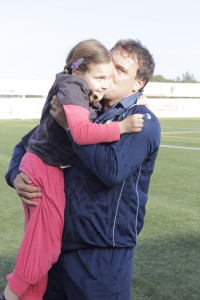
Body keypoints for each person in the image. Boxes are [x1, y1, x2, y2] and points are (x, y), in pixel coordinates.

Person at [4, 39, 161, 300]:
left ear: (138, 84)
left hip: (102, 253)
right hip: (59, 247)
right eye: (110, 65)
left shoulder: (141, 121)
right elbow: (28, 143)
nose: (111, 74)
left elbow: (111, 170)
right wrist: (15, 176)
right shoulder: (83, 108)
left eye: (121, 71)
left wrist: (71, 129)